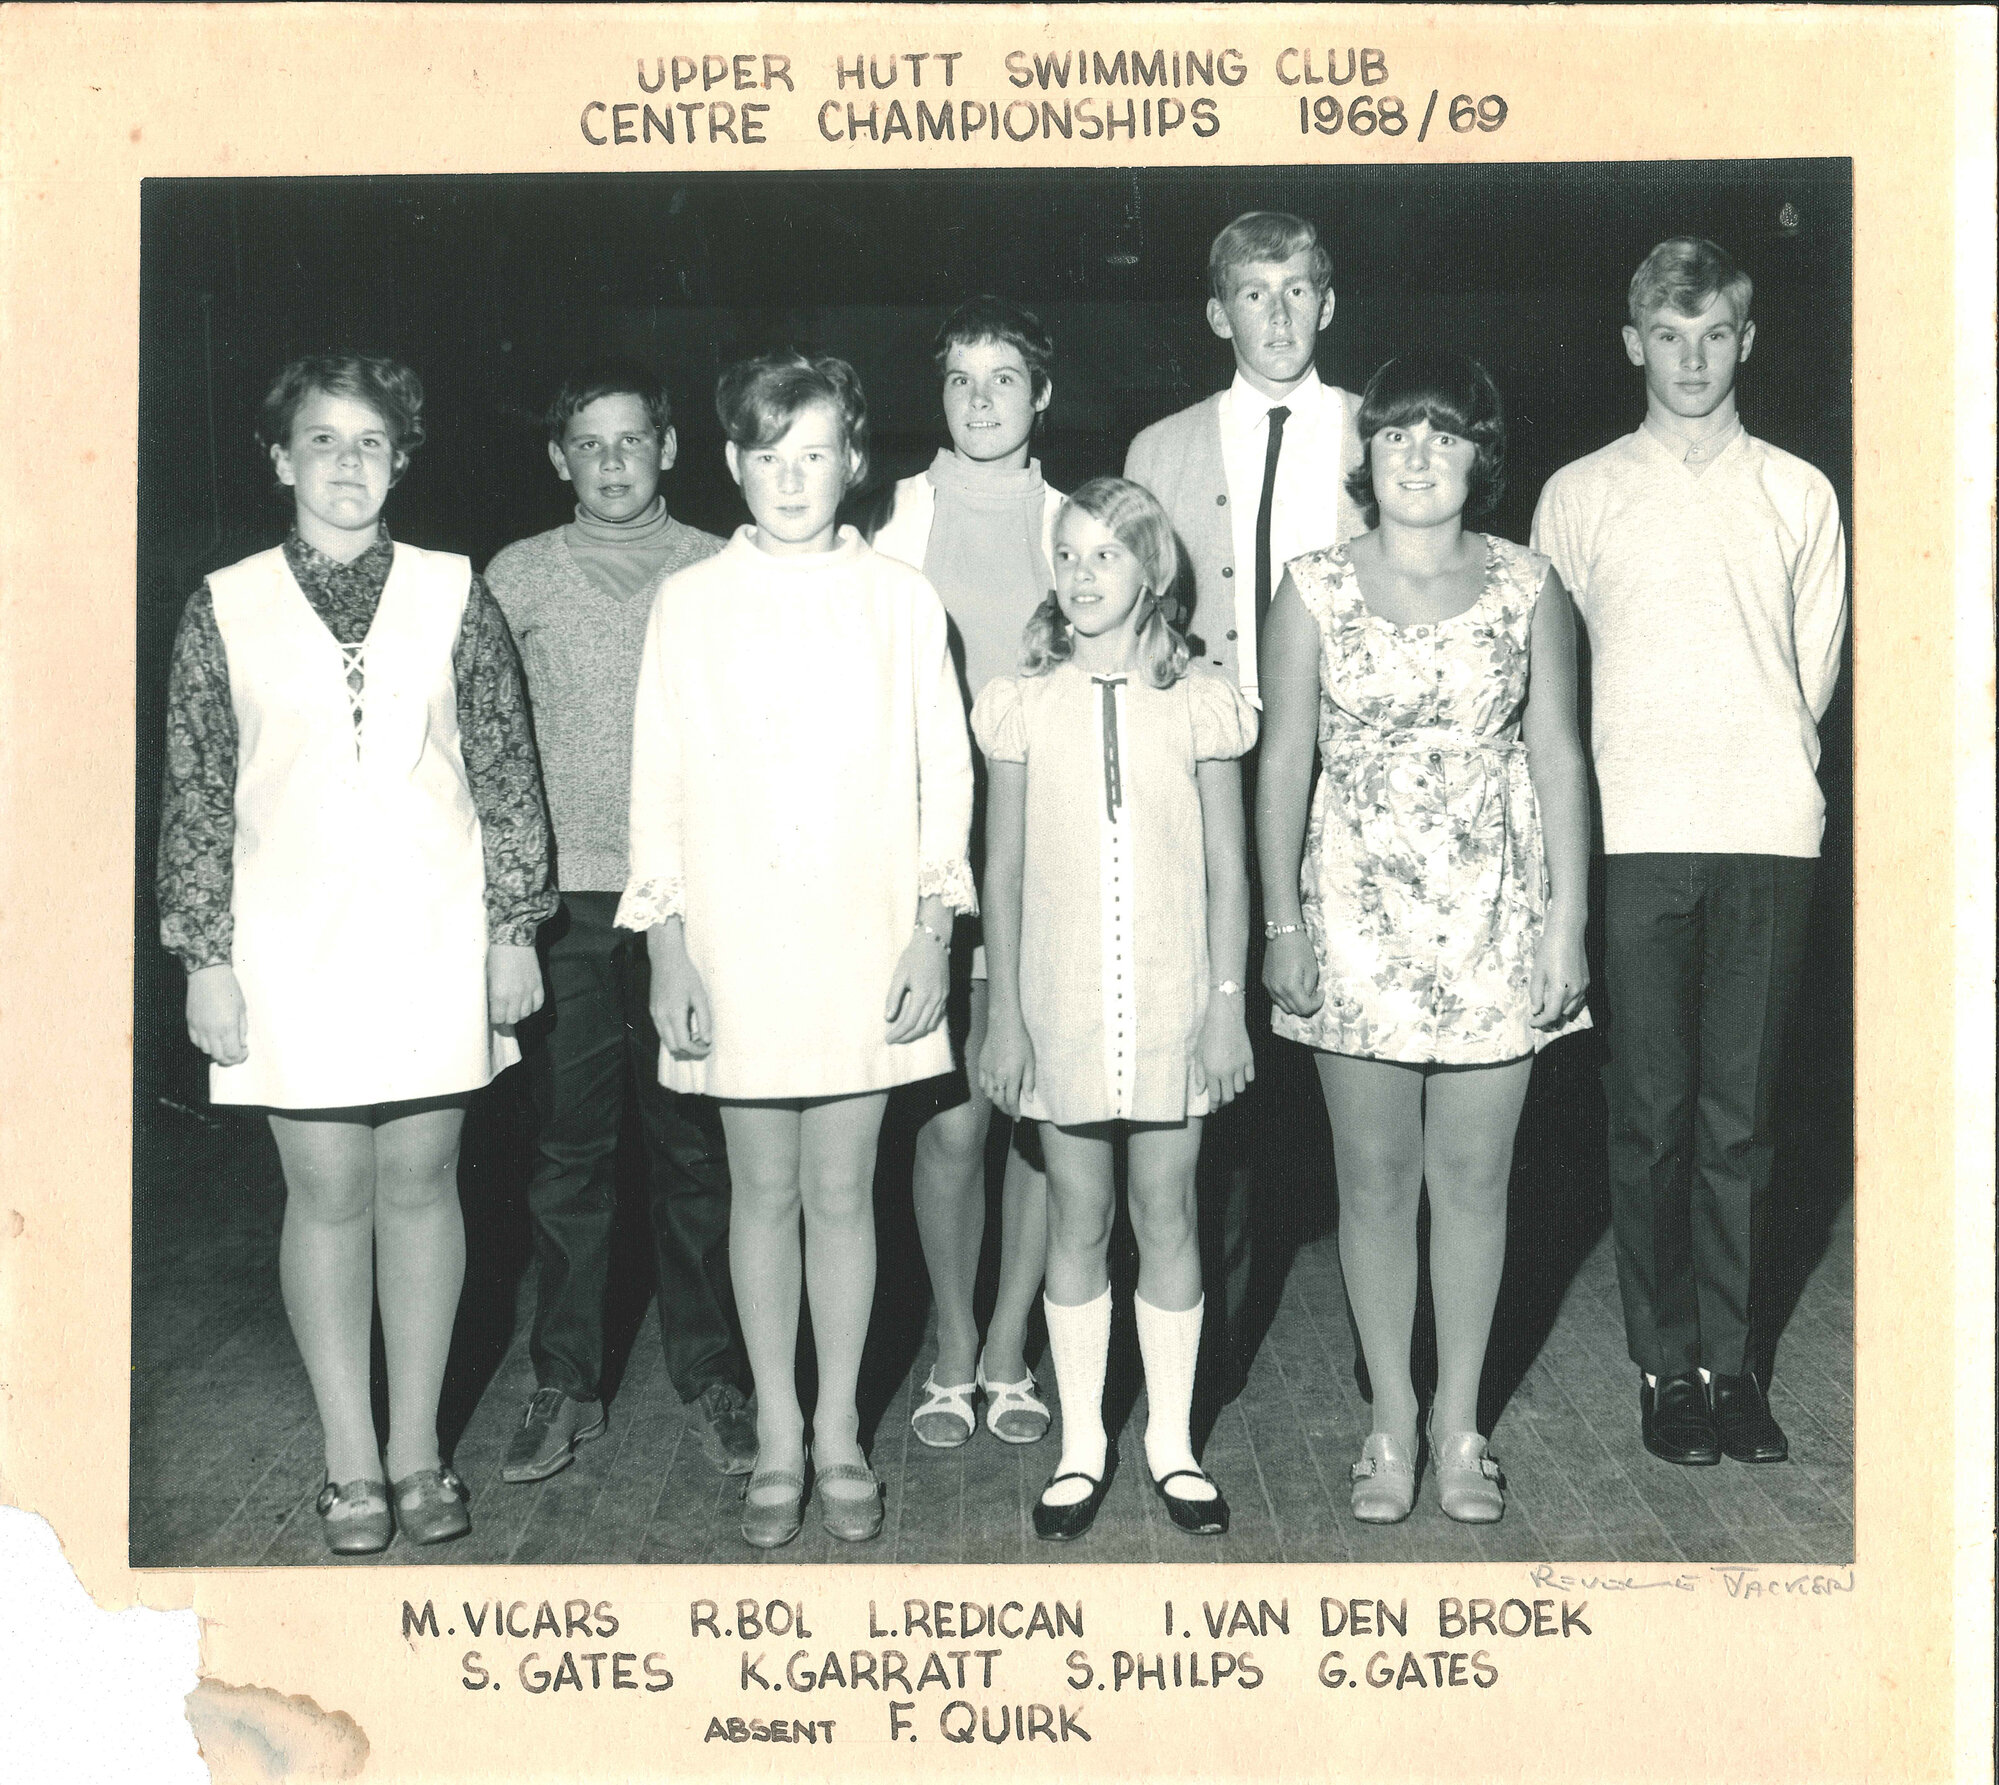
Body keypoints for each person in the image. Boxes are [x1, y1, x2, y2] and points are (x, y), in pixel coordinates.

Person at [157, 353, 554, 1553]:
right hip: (286, 944)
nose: (346, 463)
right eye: (321, 441)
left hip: (435, 932)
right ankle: (349, 1463)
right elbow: (195, 791)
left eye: (370, 441)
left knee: (422, 1184)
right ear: (280, 461)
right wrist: (204, 957)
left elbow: (502, 770)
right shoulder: (221, 603)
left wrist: (512, 932)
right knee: (326, 1194)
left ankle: (420, 1453)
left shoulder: (453, 591)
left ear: (401, 458)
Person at [616, 352, 974, 1548]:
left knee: (842, 1190)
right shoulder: (691, 601)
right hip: (734, 943)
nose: (790, 476)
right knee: (758, 1191)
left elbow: (946, 776)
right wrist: (668, 949)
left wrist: (932, 930)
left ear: (852, 463)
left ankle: (836, 1430)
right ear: (731, 463)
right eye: (767, 455)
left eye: (813, 453)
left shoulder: (901, 601)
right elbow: (656, 781)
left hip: (866, 938)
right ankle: (775, 1430)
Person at [1257, 351, 1591, 1525]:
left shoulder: (1530, 586)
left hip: (1495, 915)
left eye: (1442, 435)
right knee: (1375, 1178)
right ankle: (1388, 1420)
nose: (1415, 454)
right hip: (1350, 916)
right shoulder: (1309, 587)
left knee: (1475, 1178)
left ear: (1476, 457)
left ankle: (1460, 1427)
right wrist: (1280, 923)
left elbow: (1557, 756)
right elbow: (1282, 761)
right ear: (1367, 454)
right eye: (1395, 431)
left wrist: (1567, 925)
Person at [1532, 238, 1847, 1469]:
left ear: (1745, 340)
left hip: (1767, 829)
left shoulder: (1799, 492)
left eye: (1714, 332)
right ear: (1632, 344)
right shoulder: (1580, 492)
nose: (1692, 357)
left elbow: (1808, 672)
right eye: (1669, 335)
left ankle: (1734, 1365)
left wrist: (1759, 766)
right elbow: (1552, 688)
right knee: (1650, 1119)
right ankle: (1664, 1368)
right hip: (1634, 839)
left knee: (1742, 1125)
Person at [484, 361, 755, 1487]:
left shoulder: (717, 568)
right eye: (587, 444)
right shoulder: (516, 577)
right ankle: (565, 1378)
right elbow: (487, 748)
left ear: (670, 447)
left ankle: (715, 1374)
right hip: (569, 906)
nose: (610, 461)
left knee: (697, 1149)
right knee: (569, 1153)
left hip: (696, 902)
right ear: (558, 458)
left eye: (630, 440)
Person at [975, 476, 1257, 1541]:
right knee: (1077, 1216)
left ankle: (1173, 1444)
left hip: (1178, 1000)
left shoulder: (1201, 700)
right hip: (1059, 1003)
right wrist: (1004, 1017)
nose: (1083, 577)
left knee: (1168, 1213)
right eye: (1069, 556)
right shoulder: (1021, 701)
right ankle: (1082, 1445)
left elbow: (1230, 876)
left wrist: (1226, 1009)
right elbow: (999, 875)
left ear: (1154, 570)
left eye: (1106, 556)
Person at [1124, 211, 1367, 1400]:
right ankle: (1200, 1348)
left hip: (1350, 780)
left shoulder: (1383, 434)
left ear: (1328, 303)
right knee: (1211, 1050)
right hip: (1205, 776)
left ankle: (1387, 1346)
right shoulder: (1159, 448)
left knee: (1355, 1054)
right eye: (1252, 294)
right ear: (1218, 313)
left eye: (1297, 291)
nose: (1276, 315)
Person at [866, 296, 1062, 1452]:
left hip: (1044, 863)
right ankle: (948, 1344)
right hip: (926, 866)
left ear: (1043, 395)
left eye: (1004, 378)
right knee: (949, 1127)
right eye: (960, 379)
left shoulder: (1074, 519)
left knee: (1030, 1111)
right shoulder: (889, 517)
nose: (982, 399)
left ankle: (1008, 1346)